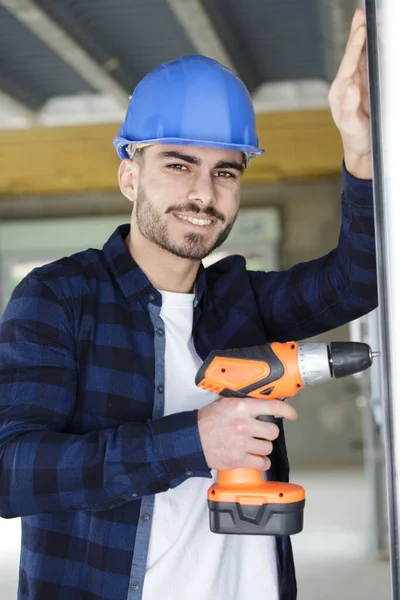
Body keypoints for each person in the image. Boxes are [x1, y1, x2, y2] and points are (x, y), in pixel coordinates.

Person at [0, 9, 376, 600]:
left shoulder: (239, 300)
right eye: (179, 165)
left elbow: (358, 281)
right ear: (130, 175)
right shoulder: (58, 298)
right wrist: (192, 441)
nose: (204, 193)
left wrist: (361, 152)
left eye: (225, 171)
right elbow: (11, 471)